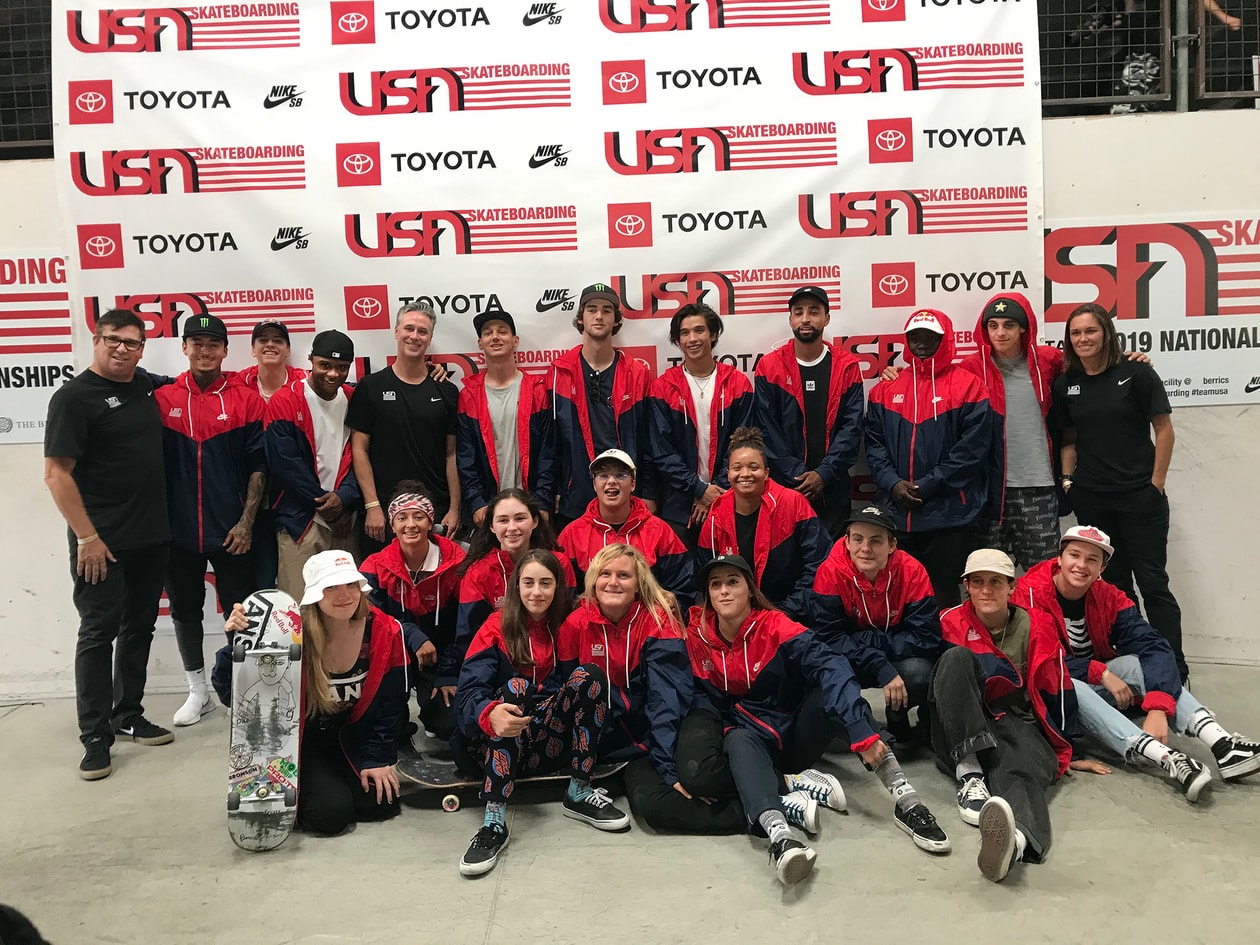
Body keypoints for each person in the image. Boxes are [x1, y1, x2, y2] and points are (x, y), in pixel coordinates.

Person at [687, 554, 949, 885]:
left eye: (733, 582)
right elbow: (701, 701)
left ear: (750, 590)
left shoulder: (776, 626)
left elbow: (831, 665)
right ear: (708, 595)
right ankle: (781, 837)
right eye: (716, 584)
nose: (724, 591)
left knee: (834, 695)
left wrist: (860, 732)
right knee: (735, 739)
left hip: (795, 735)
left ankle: (906, 799)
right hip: (749, 742)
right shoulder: (696, 638)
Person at [1017, 525, 1260, 784]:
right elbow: (1040, 661)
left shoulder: (1108, 596)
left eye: (1092, 559)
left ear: (1102, 569)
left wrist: (1157, 706)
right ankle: (1166, 758)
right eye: (1074, 555)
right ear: (1059, 558)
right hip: (1050, 695)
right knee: (1071, 684)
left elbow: (1153, 645)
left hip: (1095, 683)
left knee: (1134, 663)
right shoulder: (1029, 593)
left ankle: (1222, 743)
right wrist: (1101, 673)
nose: (1081, 565)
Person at [44, 309, 173, 780]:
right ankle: (95, 736)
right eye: (113, 340)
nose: (122, 349)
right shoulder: (73, 399)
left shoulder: (146, 385)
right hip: (101, 543)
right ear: (96, 340)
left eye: (132, 342)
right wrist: (87, 537)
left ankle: (128, 714)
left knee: (138, 628)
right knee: (98, 633)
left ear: (142, 348)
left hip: (151, 536)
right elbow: (56, 475)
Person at [455, 549, 628, 876]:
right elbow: (467, 694)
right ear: (516, 587)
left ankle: (579, 790)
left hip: (545, 742)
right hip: (496, 745)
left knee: (588, 674)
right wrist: (489, 713)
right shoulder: (496, 626)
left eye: (545, 583)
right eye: (529, 582)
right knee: (516, 687)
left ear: (557, 588)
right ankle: (494, 819)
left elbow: (612, 605)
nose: (537, 592)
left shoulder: (566, 624)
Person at [931, 548, 1093, 883]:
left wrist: (1067, 748)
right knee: (956, 658)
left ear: (1011, 587)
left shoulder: (1037, 624)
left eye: (995, 582)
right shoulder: (949, 621)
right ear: (967, 587)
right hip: (958, 724)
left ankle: (1015, 844)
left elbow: (1057, 686)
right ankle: (970, 774)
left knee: (1020, 771)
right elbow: (937, 687)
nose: (986, 590)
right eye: (977, 582)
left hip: (1015, 721)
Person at [226, 550, 409, 835]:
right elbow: (233, 693)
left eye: (351, 584)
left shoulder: (384, 629)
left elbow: (391, 705)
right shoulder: (286, 632)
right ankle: (307, 789)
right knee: (330, 815)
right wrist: (237, 644)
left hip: (350, 737)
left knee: (380, 802)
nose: (345, 594)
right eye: (331, 587)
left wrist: (376, 758)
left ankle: (331, 782)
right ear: (314, 594)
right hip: (300, 742)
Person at [556, 544, 733, 833]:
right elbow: (570, 695)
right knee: (653, 807)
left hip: (660, 731)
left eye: (624, 575)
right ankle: (753, 814)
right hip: (616, 747)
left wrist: (666, 764)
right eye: (605, 574)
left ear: (638, 585)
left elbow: (666, 699)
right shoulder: (575, 625)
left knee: (693, 777)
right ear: (593, 580)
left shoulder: (659, 619)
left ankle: (772, 796)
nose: (613, 582)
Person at [1053, 302, 1187, 681]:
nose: (1083, 339)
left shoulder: (1137, 373)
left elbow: (1164, 430)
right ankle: (1136, 662)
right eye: (1076, 333)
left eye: (1090, 331)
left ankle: (1174, 667)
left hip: (1139, 497)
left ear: (1106, 333)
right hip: (1093, 497)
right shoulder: (1066, 384)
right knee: (1113, 585)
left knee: (1153, 583)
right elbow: (1069, 439)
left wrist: (1155, 484)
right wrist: (1068, 481)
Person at [156, 314, 266, 729]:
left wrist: (247, 522)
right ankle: (197, 692)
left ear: (225, 350)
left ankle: (240, 688)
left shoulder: (246, 399)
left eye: (213, 343)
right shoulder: (162, 398)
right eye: (196, 342)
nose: (205, 350)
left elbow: (259, 467)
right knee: (185, 612)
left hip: (231, 531)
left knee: (241, 611)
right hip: (177, 532)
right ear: (184, 347)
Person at [866, 308, 993, 607]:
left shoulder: (969, 386)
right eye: (915, 336)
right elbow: (873, 443)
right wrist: (892, 483)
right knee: (897, 596)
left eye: (930, 336)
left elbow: (971, 450)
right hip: (896, 514)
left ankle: (949, 653)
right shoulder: (885, 388)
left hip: (949, 516)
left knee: (945, 595)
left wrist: (929, 485)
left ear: (945, 339)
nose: (921, 343)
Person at [812, 505, 943, 744]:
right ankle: (862, 724)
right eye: (858, 539)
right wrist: (879, 664)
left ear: (892, 545)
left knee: (920, 673)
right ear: (847, 541)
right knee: (819, 673)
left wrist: (871, 641)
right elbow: (827, 638)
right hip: (852, 658)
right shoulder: (829, 571)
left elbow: (927, 637)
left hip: (895, 657)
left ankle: (897, 715)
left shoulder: (913, 572)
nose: (865, 549)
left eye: (875, 541)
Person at [348, 300, 460, 556]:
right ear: (396, 332)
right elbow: (359, 449)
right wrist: (372, 505)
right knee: (381, 590)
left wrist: (455, 508)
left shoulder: (447, 391)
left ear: (430, 338)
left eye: (422, 331)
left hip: (435, 511)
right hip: (383, 515)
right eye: (409, 328)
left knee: (435, 589)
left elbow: (451, 454)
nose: (415, 336)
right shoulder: (371, 387)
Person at [540, 284, 654, 530]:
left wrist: (649, 491)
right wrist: (552, 490)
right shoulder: (559, 373)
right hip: (575, 494)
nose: (599, 316)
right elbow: (550, 444)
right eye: (592, 310)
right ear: (580, 318)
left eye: (607, 310)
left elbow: (649, 440)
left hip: (625, 493)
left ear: (616, 320)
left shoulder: (637, 373)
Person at [753, 285, 864, 537]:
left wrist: (823, 474)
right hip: (784, 490)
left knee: (833, 567)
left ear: (826, 317)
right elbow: (766, 431)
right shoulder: (769, 367)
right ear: (790, 319)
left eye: (813, 312)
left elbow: (851, 429)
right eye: (798, 312)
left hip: (833, 491)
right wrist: (798, 476)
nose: (805, 318)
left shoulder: (846, 367)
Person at [359, 484, 466, 740]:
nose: (411, 524)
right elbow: (372, 619)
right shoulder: (374, 566)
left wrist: (449, 673)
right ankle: (398, 721)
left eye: (419, 516)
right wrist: (412, 635)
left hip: (442, 659)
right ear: (392, 525)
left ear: (431, 522)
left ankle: (432, 712)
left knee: (448, 725)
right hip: (394, 657)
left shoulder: (458, 563)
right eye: (402, 517)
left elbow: (466, 624)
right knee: (388, 731)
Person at [647, 302, 754, 548]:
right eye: (684, 333)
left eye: (699, 330)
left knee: (727, 578)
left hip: (730, 499)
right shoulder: (663, 388)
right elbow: (661, 452)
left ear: (713, 334)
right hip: (678, 506)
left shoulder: (737, 383)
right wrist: (697, 489)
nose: (692, 339)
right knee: (681, 581)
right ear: (677, 340)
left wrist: (715, 492)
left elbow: (744, 444)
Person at [697, 427, 830, 623]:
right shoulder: (716, 515)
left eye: (753, 467)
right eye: (737, 468)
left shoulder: (793, 503)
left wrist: (785, 613)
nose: (745, 474)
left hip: (792, 616)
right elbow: (708, 577)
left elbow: (818, 564)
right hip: (738, 620)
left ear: (767, 473)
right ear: (727, 475)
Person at [264, 330, 360, 600]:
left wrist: (344, 498)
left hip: (345, 521)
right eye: (325, 365)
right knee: (299, 609)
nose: (333, 374)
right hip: (301, 522)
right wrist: (328, 508)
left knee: (347, 609)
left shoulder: (354, 399)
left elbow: (362, 458)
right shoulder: (286, 400)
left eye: (341, 368)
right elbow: (285, 465)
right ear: (311, 361)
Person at [557, 449, 693, 605]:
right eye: (603, 475)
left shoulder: (660, 531)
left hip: (648, 625)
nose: (611, 481)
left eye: (621, 475)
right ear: (594, 485)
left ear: (633, 483)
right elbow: (563, 598)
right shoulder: (572, 534)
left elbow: (682, 590)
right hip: (591, 626)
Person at [456, 310, 552, 527]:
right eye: (488, 333)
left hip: (530, 507)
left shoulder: (536, 390)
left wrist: (543, 502)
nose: (495, 337)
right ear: (480, 343)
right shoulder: (469, 394)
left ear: (515, 340)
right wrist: (477, 503)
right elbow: (465, 458)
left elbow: (548, 452)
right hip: (488, 509)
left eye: (502, 331)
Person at [455, 489, 574, 663]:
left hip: (553, 663)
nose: (512, 527)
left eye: (520, 518)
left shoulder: (559, 563)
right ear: (491, 526)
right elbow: (469, 635)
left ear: (534, 521)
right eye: (503, 520)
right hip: (500, 664)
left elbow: (567, 619)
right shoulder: (478, 572)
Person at [241, 319, 306, 589]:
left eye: (277, 340)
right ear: (253, 349)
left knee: (299, 584)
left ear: (288, 350)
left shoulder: (305, 382)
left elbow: (348, 387)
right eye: (263, 340)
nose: (270, 344)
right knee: (261, 583)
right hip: (252, 505)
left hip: (296, 502)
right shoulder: (237, 383)